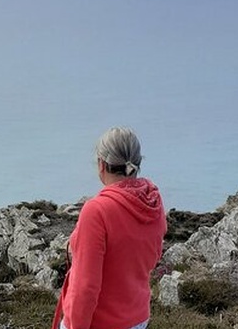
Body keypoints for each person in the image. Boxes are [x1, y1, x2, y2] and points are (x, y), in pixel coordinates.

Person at [52, 127, 167, 329]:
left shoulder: (96, 211)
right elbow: (153, 256)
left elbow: (86, 287)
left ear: (102, 164)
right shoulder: (153, 201)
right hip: (138, 318)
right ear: (136, 163)